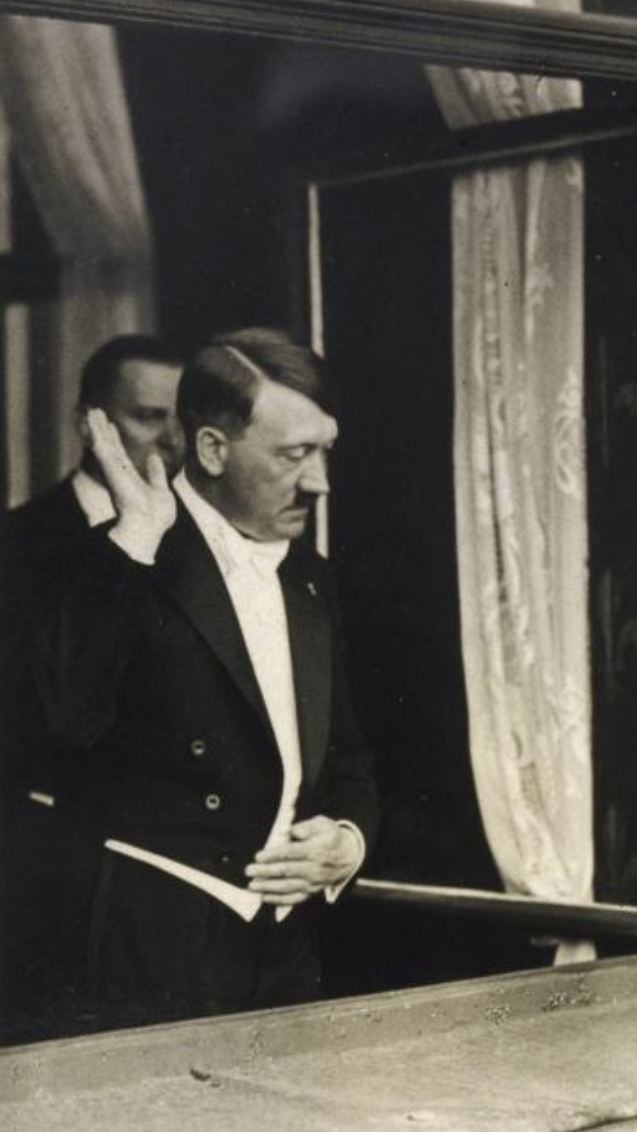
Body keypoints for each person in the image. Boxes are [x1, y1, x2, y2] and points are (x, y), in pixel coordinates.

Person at [20, 327, 378, 1033]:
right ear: (212, 449)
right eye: (294, 455)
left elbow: (349, 756)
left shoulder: (311, 579)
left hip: (286, 953)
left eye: (325, 451)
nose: (320, 482)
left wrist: (347, 842)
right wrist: (136, 540)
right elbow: (58, 723)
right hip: (148, 954)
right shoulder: (115, 558)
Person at [0, 334, 186, 1043]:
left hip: (163, 893)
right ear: (90, 424)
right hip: (45, 881)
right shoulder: (17, 545)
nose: (169, 439)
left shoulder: (197, 548)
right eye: (148, 416)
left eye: (180, 419)